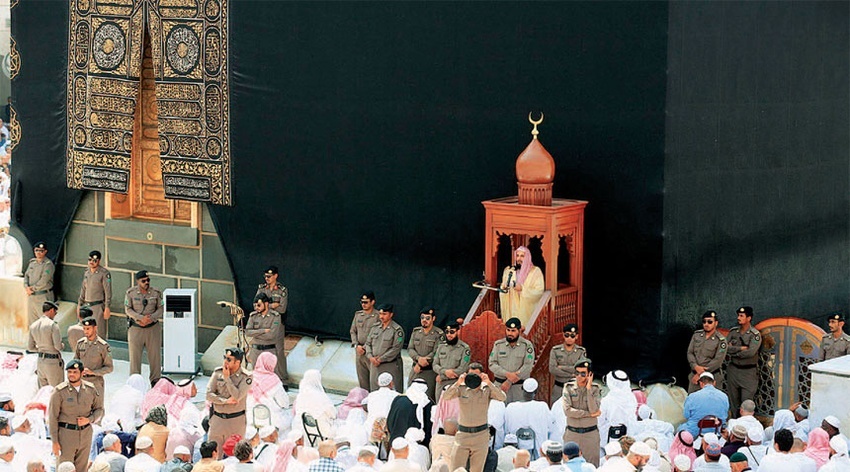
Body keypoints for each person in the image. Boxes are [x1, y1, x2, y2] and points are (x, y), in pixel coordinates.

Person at [443, 368, 507, 472]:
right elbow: (446, 397)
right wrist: (458, 382)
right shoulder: (461, 388)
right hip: (463, 435)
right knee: (456, 469)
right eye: (471, 375)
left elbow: (502, 397)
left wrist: (489, 383)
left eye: (476, 375)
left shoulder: (487, 390)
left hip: (480, 436)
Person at [49, 359, 104, 471]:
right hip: (66, 435)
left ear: (82, 373)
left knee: (82, 468)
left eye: (75, 372)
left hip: (85, 434)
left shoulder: (91, 389)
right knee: (65, 468)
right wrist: (54, 441)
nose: (71, 375)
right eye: (69, 372)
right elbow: (52, 418)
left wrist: (89, 419)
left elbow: (99, 410)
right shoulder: (59, 391)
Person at [206, 348, 252, 459]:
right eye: (225, 358)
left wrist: (227, 378)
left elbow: (237, 396)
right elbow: (208, 395)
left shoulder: (246, 377)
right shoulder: (218, 373)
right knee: (213, 455)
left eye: (229, 359)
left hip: (235, 421)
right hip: (218, 420)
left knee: (236, 457)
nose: (225, 361)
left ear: (238, 362)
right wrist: (225, 401)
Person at [125, 270, 164, 385]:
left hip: (152, 329)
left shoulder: (156, 293)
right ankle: (134, 384)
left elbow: (161, 308)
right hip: (136, 329)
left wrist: (150, 318)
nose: (146, 282)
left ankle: (155, 382)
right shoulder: (130, 293)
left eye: (148, 280)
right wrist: (140, 318)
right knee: (135, 358)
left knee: (155, 357)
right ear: (138, 281)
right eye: (143, 281)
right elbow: (128, 309)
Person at [562, 359, 601, 467]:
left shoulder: (595, 389)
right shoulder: (568, 388)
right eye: (576, 373)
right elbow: (568, 411)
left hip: (590, 434)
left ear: (589, 374)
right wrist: (588, 414)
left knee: (592, 466)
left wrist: (588, 389)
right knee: (569, 467)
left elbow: (594, 410)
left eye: (583, 373)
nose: (579, 376)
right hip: (572, 434)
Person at [488, 317, 535, 404]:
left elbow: (528, 366)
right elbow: (492, 364)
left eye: (513, 331)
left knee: (518, 415)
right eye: (508, 330)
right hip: (500, 387)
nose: (510, 333)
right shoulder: (498, 344)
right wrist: (507, 374)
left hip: (518, 389)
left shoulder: (526, 345)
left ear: (519, 331)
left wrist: (509, 381)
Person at [725, 307, 761, 416]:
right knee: (734, 402)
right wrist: (740, 349)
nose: (738, 318)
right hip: (733, 370)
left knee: (746, 403)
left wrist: (734, 352)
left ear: (749, 318)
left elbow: (751, 352)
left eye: (742, 316)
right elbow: (724, 348)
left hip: (748, 372)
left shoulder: (755, 335)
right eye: (738, 315)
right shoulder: (733, 332)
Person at [245, 293, 287, 382]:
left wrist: (255, 333)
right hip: (255, 351)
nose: (256, 307)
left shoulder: (275, 316)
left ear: (266, 304)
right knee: (256, 378)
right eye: (255, 305)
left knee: (269, 378)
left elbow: (271, 335)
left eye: (259, 305)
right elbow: (248, 332)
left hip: (269, 350)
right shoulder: (253, 316)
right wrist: (263, 331)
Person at [498, 246, 544, 328]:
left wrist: (523, 289)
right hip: (512, 306)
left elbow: (539, 291)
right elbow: (503, 287)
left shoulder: (535, 272)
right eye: (517, 255)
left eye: (522, 256)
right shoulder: (509, 270)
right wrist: (503, 287)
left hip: (526, 309)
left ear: (527, 257)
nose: (519, 258)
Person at [247, 351, 291, 433]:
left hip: (251, 419)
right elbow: (284, 403)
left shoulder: (249, 377)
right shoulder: (274, 380)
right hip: (273, 421)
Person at [504, 379, 549, 459]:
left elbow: (506, 429)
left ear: (522, 389)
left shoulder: (511, 407)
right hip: (538, 455)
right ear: (536, 392)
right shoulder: (542, 407)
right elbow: (549, 426)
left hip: (515, 454)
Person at [365, 304, 405, 392]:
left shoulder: (397, 330)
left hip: (389, 365)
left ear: (391, 314)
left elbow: (396, 348)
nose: (381, 316)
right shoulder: (375, 327)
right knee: (375, 391)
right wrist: (370, 357)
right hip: (375, 366)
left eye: (384, 314)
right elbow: (367, 344)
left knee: (392, 392)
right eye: (380, 314)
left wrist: (380, 359)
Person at [408, 307, 445, 401]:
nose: (424, 320)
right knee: (410, 395)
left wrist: (423, 361)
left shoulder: (438, 334)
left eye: (427, 318)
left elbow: (437, 352)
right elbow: (410, 348)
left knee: (428, 398)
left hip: (429, 371)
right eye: (422, 317)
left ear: (433, 319)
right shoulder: (416, 332)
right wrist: (418, 359)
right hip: (415, 369)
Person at [686, 311, 727, 394]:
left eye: (710, 322)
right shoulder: (696, 335)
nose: (706, 324)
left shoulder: (721, 341)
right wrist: (695, 366)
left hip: (712, 377)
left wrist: (700, 374)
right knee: (693, 401)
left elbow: (717, 361)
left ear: (716, 323)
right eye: (704, 321)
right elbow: (690, 353)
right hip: (694, 377)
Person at [292, 369, 337, 443]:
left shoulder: (301, 394)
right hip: (321, 430)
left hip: (302, 428)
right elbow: (333, 414)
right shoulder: (320, 396)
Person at [679, 372, 728, 438]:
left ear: (701, 383)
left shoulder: (692, 396)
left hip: (695, 432)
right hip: (717, 431)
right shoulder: (724, 396)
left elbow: (686, 415)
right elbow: (725, 415)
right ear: (714, 383)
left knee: (680, 428)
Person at [548, 324, 587, 405]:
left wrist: (562, 367)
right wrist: (572, 374)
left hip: (574, 389)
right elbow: (552, 369)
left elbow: (581, 370)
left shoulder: (581, 351)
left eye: (572, 336)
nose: (569, 338)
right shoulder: (555, 350)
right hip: (559, 388)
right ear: (563, 335)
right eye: (567, 335)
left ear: (576, 336)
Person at [28, 301, 64, 387]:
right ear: (51, 310)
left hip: (40, 362)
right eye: (55, 312)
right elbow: (58, 347)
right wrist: (62, 345)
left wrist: (41, 350)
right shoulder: (52, 325)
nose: (55, 315)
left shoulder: (33, 325)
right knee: (57, 392)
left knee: (42, 393)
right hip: (53, 363)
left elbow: (30, 347)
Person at [433, 321, 471, 403]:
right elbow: (435, 364)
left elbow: (463, 369)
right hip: (440, 384)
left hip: (455, 383)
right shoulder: (441, 346)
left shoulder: (464, 348)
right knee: (439, 409)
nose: (449, 335)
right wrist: (445, 372)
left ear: (458, 332)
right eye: (447, 332)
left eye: (452, 332)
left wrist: (443, 376)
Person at [74, 316, 114, 394]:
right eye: (84, 329)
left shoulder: (103, 346)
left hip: (96, 383)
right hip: (81, 382)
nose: (86, 331)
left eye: (88, 329)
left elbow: (109, 368)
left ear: (95, 328)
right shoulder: (80, 344)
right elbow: (75, 361)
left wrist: (93, 372)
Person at [78, 250, 112, 339]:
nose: (91, 262)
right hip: (86, 306)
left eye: (94, 260)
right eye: (90, 260)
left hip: (98, 306)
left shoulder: (104, 273)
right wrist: (79, 305)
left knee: (99, 332)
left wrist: (107, 307)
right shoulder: (87, 272)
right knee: (86, 331)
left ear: (99, 261)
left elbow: (108, 292)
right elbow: (83, 289)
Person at [598, 370, 637, 447]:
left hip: (609, 437)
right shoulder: (632, 397)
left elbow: (600, 421)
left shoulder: (607, 400)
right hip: (628, 436)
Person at [351, 292, 380, 391]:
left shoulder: (378, 316)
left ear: (372, 302)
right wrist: (356, 345)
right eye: (362, 302)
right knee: (362, 380)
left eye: (366, 302)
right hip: (359, 351)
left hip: (372, 352)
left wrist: (365, 347)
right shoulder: (358, 315)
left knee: (374, 380)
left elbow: (378, 334)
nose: (363, 304)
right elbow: (353, 331)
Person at [23, 241, 54, 326]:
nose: (39, 253)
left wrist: (32, 289)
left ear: (45, 252)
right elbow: (26, 276)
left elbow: (44, 280)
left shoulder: (48, 264)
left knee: (44, 323)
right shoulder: (32, 263)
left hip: (43, 296)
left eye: (41, 251)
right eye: (37, 250)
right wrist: (26, 287)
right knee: (32, 323)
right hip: (32, 297)